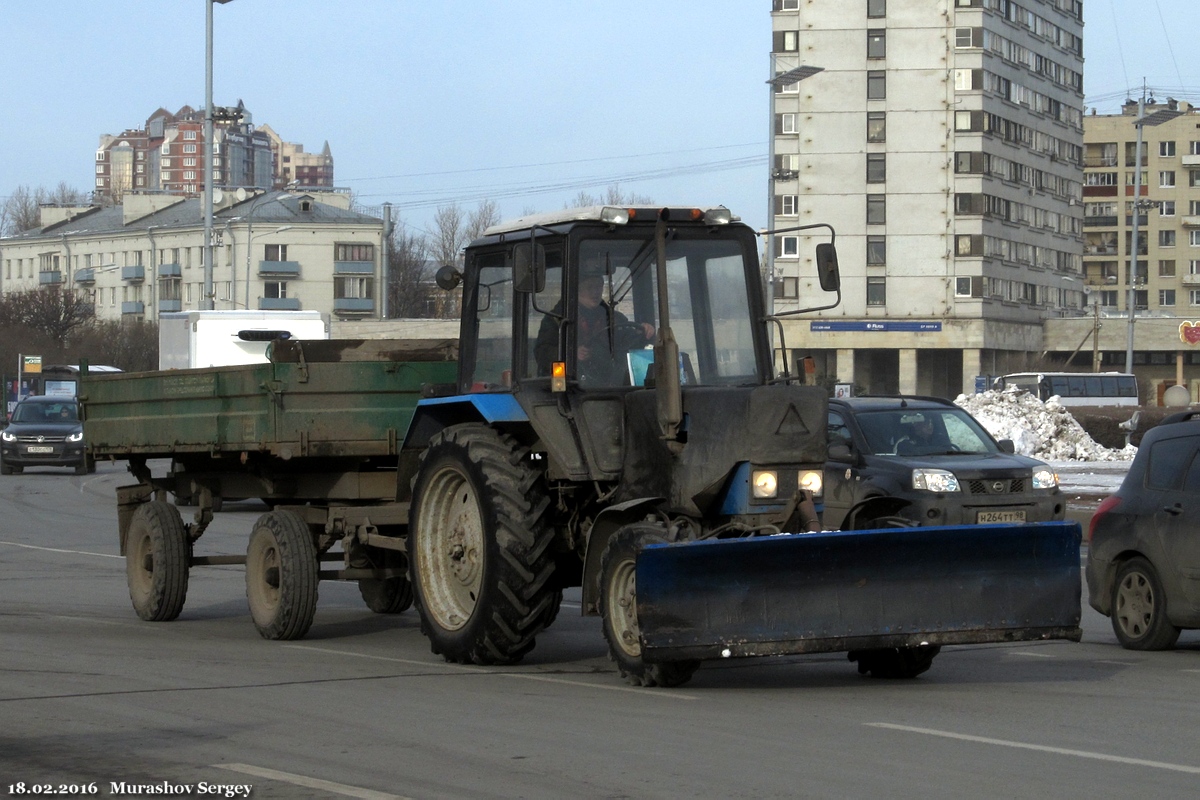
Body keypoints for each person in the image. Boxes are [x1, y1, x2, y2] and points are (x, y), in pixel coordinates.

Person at [535, 266, 654, 386]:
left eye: (598, 286)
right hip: (569, 387)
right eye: (590, 287)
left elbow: (628, 344)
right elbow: (542, 353)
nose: (595, 292)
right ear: (577, 289)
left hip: (611, 386)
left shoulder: (615, 319)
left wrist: (643, 333)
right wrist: (571, 354)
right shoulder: (556, 320)